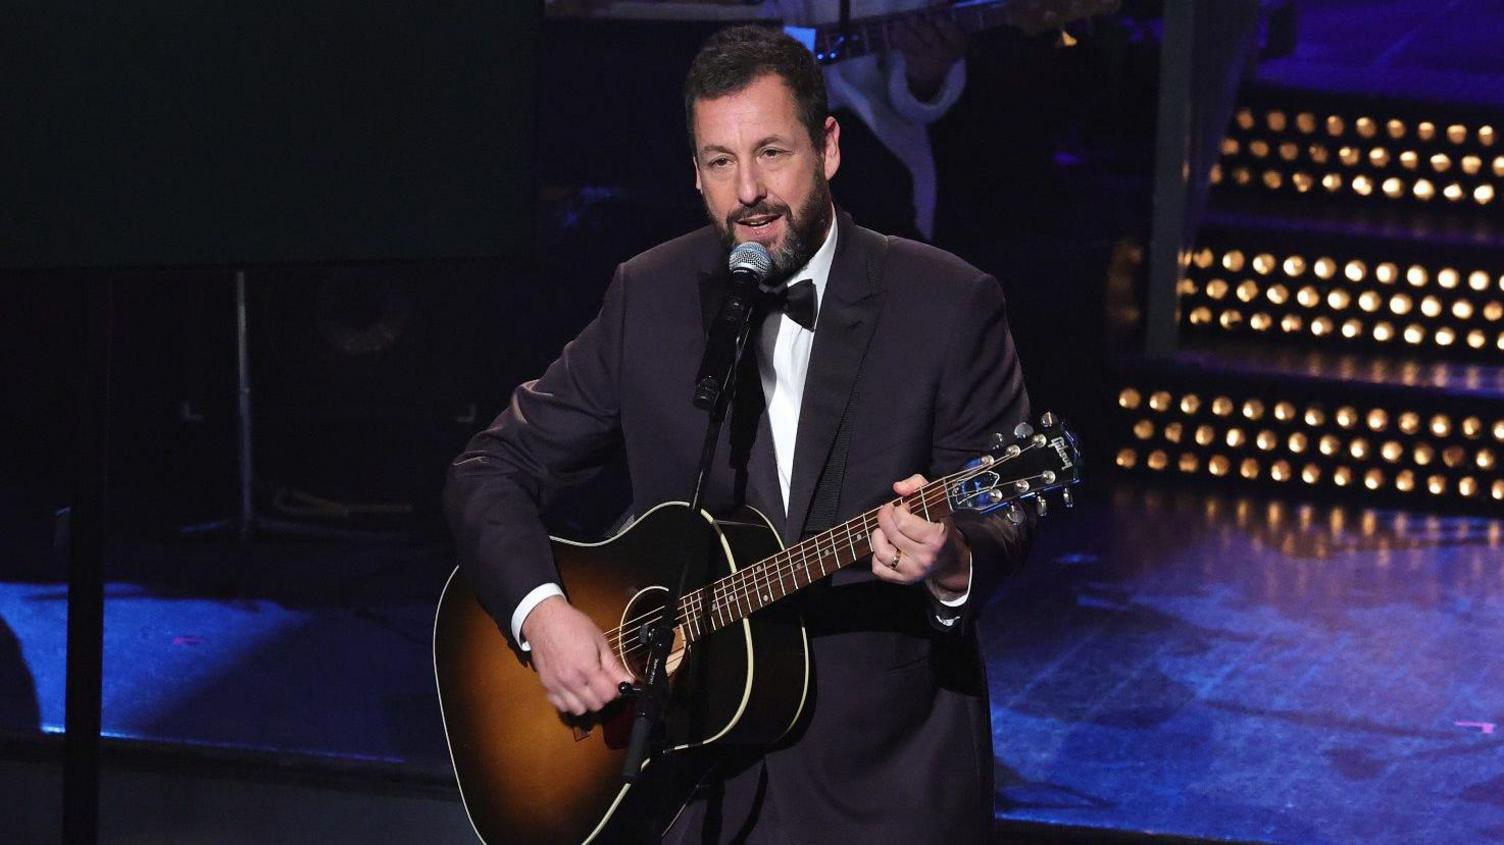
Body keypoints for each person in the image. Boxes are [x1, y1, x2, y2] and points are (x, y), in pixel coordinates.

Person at [445, 24, 1033, 843]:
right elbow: (491, 467)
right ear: (695, 174)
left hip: (883, 787)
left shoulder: (945, 305)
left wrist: (953, 558)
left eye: (772, 153)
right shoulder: (648, 297)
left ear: (827, 147)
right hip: (693, 787)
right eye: (721, 162)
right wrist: (542, 612)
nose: (748, 189)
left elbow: (1002, 507)